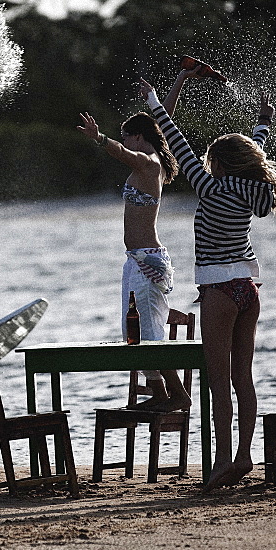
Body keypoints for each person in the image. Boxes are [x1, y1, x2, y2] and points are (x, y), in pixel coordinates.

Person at [143, 70, 276, 490]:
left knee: (218, 381)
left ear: (218, 165)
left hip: (219, 292)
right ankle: (243, 454)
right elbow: (255, 150)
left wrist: (153, 100)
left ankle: (224, 460)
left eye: (210, 162)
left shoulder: (209, 187)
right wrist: (263, 122)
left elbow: (177, 142)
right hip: (248, 289)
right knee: (245, 378)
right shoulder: (249, 188)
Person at [76, 84, 187, 411]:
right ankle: (159, 393)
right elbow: (162, 120)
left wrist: (99, 138)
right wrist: (178, 80)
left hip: (148, 261)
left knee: (150, 333)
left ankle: (177, 394)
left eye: (127, 134)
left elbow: (125, 153)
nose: (123, 139)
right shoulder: (149, 159)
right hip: (134, 260)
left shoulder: (149, 164)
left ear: (139, 138)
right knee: (134, 334)